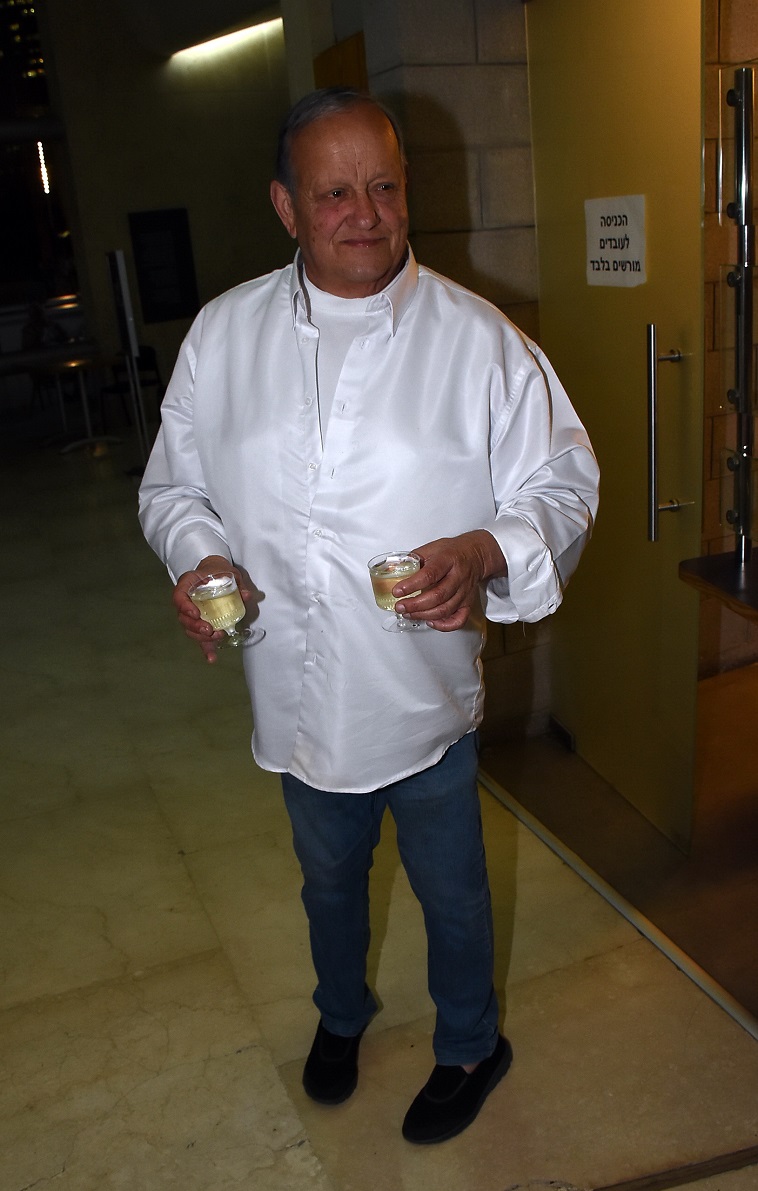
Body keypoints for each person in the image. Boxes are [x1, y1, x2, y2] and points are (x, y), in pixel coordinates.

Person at [139, 87, 599, 1145]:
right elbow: (174, 485)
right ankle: (341, 1015)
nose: (364, 213)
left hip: (419, 695)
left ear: (407, 192)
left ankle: (471, 1044)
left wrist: (484, 550)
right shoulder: (224, 335)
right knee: (329, 883)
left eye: (383, 186)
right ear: (285, 206)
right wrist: (199, 554)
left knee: (453, 893)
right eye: (333, 192)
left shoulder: (478, 341)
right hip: (295, 694)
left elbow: (562, 483)